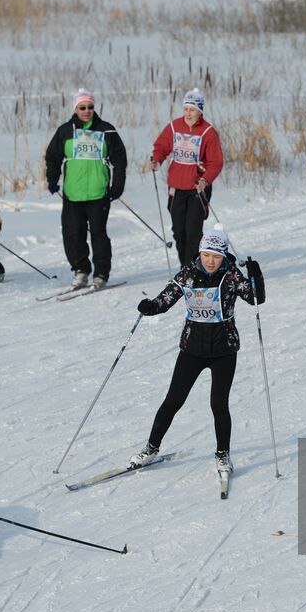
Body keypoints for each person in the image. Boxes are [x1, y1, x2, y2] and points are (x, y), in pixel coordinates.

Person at [128, 225, 264, 481]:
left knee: (218, 404)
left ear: (223, 256)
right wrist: (149, 307)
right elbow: (164, 301)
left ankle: (223, 454)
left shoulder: (231, 276)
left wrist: (256, 275)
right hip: (191, 349)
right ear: (200, 253)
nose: (211, 261)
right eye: (206, 255)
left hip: (224, 350)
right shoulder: (187, 275)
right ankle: (151, 449)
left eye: (216, 256)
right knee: (173, 400)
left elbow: (256, 298)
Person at [44, 89, 127, 289]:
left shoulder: (107, 130)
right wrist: (52, 179)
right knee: (73, 234)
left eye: (90, 107)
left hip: (99, 193)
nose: (87, 110)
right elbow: (53, 157)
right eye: (82, 107)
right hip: (73, 194)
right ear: (75, 108)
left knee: (99, 234)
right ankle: (80, 270)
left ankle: (101, 274)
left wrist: (117, 186)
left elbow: (120, 159)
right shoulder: (65, 131)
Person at [148, 89, 223, 266]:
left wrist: (205, 180)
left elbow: (216, 162)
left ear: (200, 111)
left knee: (193, 231)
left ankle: (193, 268)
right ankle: (185, 267)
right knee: (179, 231)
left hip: (198, 187)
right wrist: (156, 161)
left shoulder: (208, 132)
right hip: (176, 187)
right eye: (186, 109)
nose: (188, 113)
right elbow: (161, 147)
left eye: (193, 109)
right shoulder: (174, 127)